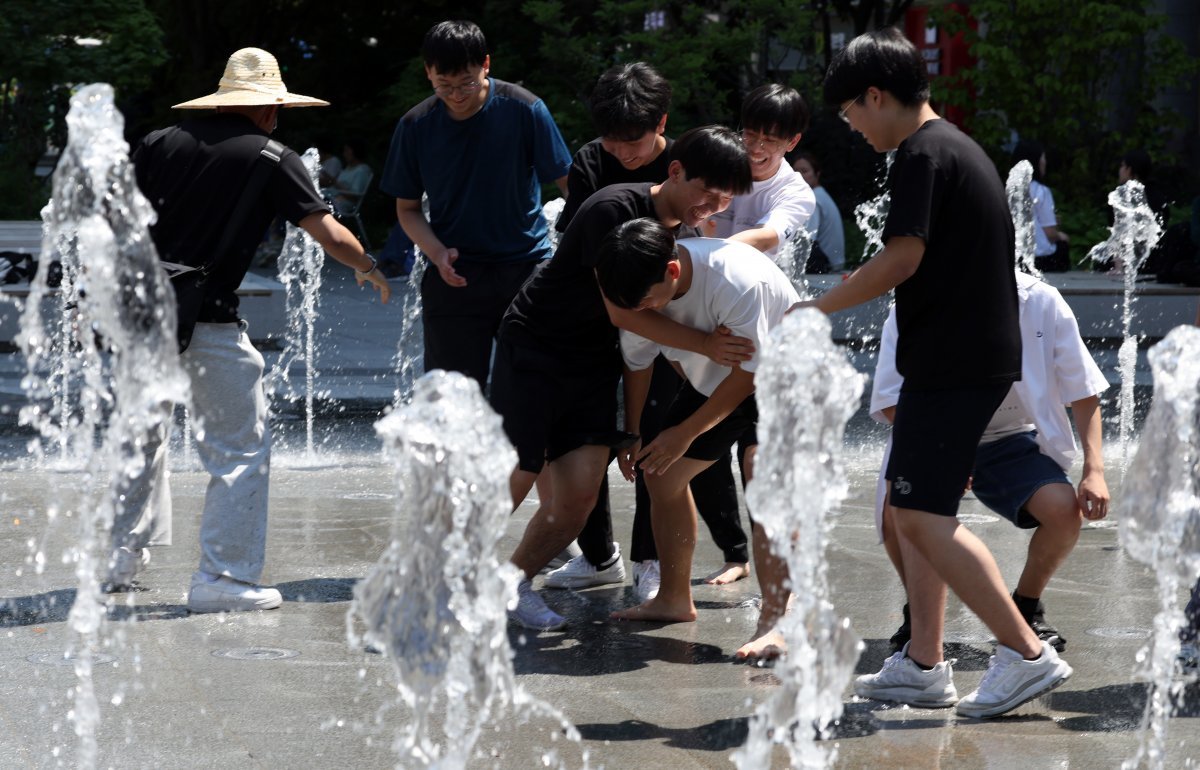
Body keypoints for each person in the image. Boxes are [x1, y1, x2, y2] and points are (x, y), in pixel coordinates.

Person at [798, 28, 1072, 719]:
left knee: (917, 514)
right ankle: (924, 662)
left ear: (875, 94)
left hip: (954, 364)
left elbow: (900, 259)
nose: (854, 129)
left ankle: (1025, 653)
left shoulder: (923, 155)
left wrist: (817, 308)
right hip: (960, 360)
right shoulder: (952, 147)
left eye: (852, 114)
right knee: (919, 513)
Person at [108, 47, 391, 612]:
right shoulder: (271, 156)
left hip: (137, 318)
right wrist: (370, 267)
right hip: (206, 321)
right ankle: (224, 579)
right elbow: (330, 236)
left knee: (140, 442)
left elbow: (113, 220)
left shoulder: (158, 141)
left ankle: (115, 562)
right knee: (238, 450)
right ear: (267, 108)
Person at [493, 126, 753, 631]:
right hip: (537, 347)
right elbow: (625, 311)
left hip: (593, 364)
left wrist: (636, 426)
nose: (713, 206)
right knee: (518, 472)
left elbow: (643, 345)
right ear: (675, 171)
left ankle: (509, 584)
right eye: (707, 191)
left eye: (724, 198)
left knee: (579, 498)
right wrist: (706, 346)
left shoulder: (684, 236)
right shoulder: (614, 209)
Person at [544, 62, 751, 600]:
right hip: (607, 315)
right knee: (598, 434)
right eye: (612, 142)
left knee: (656, 439)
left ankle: (651, 560)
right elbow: (588, 249)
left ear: (663, 125)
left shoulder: (692, 162)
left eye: (633, 143)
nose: (623, 154)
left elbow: (706, 237)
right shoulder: (592, 161)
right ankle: (597, 555)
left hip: (667, 317)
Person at [869, 270, 1109, 668]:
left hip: (1008, 438)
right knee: (896, 515)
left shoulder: (1040, 301)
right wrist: (946, 451)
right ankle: (921, 616)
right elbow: (892, 400)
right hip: (933, 435)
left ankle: (1027, 606)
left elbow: (1083, 389)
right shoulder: (914, 302)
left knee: (1064, 511)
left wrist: (1094, 469)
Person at [598, 222, 799, 662]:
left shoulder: (736, 280)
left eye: (648, 301)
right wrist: (632, 432)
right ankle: (673, 597)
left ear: (672, 270)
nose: (643, 311)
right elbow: (638, 363)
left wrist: (685, 432)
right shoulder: (635, 289)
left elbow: (749, 376)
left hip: (784, 375)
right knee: (660, 473)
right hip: (720, 381)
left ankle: (779, 623)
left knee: (763, 477)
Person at [380, 20, 572, 389]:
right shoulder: (416, 125)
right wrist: (436, 253)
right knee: (451, 398)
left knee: (532, 388)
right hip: (454, 274)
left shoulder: (524, 109)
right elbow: (407, 209)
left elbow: (570, 187)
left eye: (466, 82)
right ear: (428, 73)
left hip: (524, 269)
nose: (456, 95)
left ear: (486, 64)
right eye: (443, 85)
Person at [708, 84, 815, 258]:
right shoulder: (715, 162)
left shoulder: (797, 193)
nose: (756, 148)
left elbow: (765, 237)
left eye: (770, 140)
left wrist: (703, 254)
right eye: (750, 134)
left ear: (792, 142)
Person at [1013, 140, 1070, 273]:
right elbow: (1050, 234)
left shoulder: (1009, 190)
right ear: (1036, 161)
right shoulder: (1040, 190)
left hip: (1014, 257)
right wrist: (1061, 235)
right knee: (1063, 243)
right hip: (1039, 259)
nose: (1045, 162)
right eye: (1043, 157)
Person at [793, 150, 846, 272]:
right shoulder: (821, 194)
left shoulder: (813, 199)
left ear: (817, 174)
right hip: (835, 263)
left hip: (827, 268)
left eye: (804, 171)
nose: (799, 176)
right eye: (795, 171)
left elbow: (807, 239)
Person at [322, 140, 372, 215]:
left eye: (347, 150)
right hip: (333, 196)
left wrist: (334, 183)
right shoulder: (347, 168)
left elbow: (355, 195)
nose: (344, 154)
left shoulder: (362, 170)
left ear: (355, 151)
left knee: (314, 201)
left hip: (342, 202)